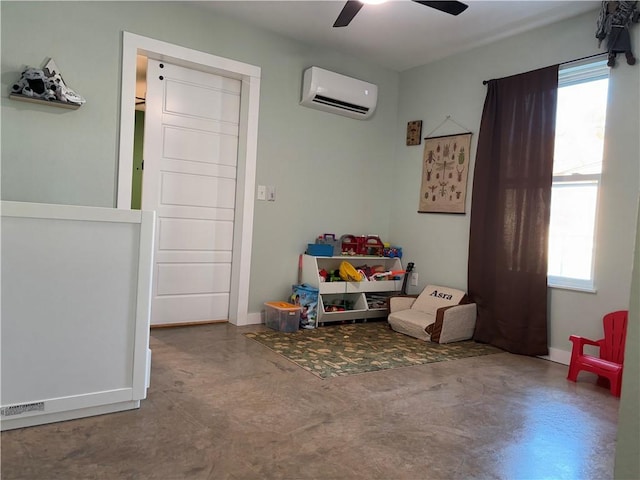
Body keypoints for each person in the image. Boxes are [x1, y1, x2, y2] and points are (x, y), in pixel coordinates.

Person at [596, 1, 640, 67]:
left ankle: (629, 55)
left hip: (622, 27)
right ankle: (611, 57)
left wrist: (635, 16)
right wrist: (600, 35)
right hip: (611, 29)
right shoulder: (606, 8)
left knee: (625, 40)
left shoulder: (625, 6)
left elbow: (631, 13)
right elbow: (602, 19)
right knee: (611, 44)